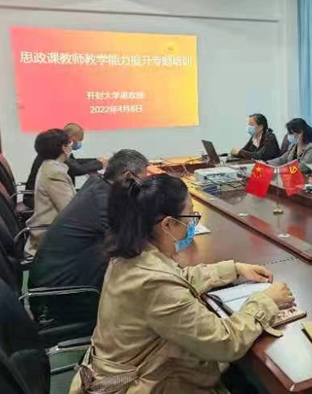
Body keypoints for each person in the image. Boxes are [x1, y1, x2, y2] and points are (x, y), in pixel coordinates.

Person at [69, 174, 295, 394]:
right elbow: (224, 342)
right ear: (168, 224)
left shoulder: (132, 252)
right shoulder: (153, 282)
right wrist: (265, 301)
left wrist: (233, 269)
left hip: (116, 372)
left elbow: (177, 278)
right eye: (190, 217)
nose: (193, 224)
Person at [29, 149, 150, 322]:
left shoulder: (97, 185)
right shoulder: (105, 201)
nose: (143, 186)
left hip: (57, 278)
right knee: (145, 292)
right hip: (61, 294)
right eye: (143, 180)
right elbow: (128, 248)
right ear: (128, 176)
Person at [24, 123, 108, 208]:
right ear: (65, 146)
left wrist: (96, 160)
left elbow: (74, 162)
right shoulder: (55, 169)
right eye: (71, 143)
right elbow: (76, 169)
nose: (71, 145)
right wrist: (99, 164)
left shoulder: (50, 161)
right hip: (42, 202)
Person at [25, 129, 77, 257]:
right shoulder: (55, 173)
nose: (72, 146)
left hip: (51, 229)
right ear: (64, 148)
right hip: (50, 234)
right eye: (70, 143)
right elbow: (71, 211)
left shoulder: (49, 166)